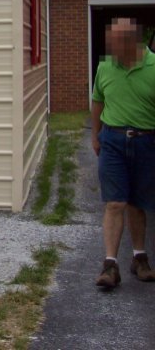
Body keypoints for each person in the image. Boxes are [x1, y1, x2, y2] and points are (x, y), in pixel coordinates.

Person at [91, 17, 155, 288]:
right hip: (113, 140)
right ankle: (110, 265)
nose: (114, 47)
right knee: (115, 202)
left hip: (146, 141)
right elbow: (98, 100)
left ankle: (139, 258)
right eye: (112, 42)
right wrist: (95, 136)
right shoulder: (105, 66)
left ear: (135, 41)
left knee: (137, 204)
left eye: (119, 42)